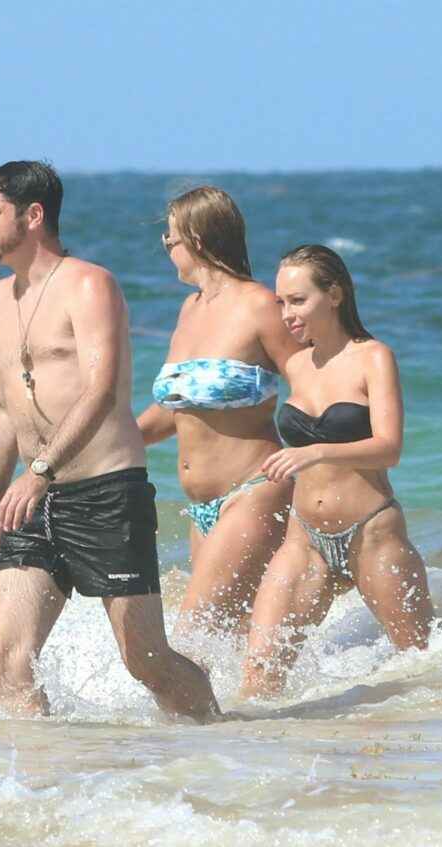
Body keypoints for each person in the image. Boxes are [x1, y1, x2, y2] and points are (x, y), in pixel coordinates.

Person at [0, 160, 219, 721]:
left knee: (145, 660)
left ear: (33, 215)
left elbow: (100, 390)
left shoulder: (89, 285)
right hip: (29, 502)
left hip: (105, 492)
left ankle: (217, 738)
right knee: (7, 656)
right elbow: (2, 409)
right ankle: (37, 769)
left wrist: (40, 471)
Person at [241, 244, 434, 698]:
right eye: (281, 302)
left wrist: (317, 452)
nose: (287, 314)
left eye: (298, 300)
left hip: (372, 532)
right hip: (303, 539)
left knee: (422, 668)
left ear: (334, 294)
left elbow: (389, 449)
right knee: (259, 675)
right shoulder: (294, 365)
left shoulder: (374, 357)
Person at [137, 187, 303, 633]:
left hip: (255, 491)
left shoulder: (260, 305)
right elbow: (177, 408)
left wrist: (321, 458)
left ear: (197, 239)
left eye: (170, 239)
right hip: (203, 510)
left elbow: (312, 385)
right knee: (229, 640)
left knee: (193, 635)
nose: (167, 248)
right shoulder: (189, 310)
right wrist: (106, 444)